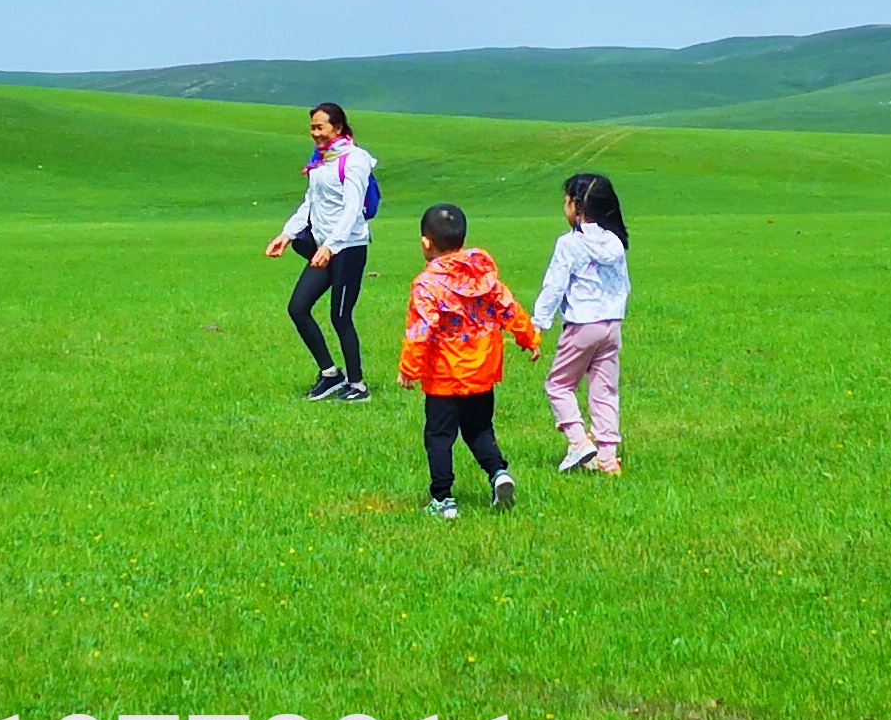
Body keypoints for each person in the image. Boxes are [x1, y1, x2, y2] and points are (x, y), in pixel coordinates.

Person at [398, 202, 536, 518]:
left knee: (439, 437)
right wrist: (529, 338)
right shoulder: (482, 276)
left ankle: (443, 499)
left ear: (425, 242)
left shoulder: (426, 284)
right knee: (479, 430)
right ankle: (499, 473)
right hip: (482, 372)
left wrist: (409, 368)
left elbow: (421, 328)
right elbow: (508, 307)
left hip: (444, 378)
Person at [263, 103, 380, 402]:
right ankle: (330, 374)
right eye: (312, 127)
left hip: (348, 247)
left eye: (320, 127)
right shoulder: (321, 161)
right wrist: (287, 234)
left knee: (340, 316)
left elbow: (353, 208)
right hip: (323, 247)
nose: (315, 133)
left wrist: (331, 245)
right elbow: (310, 203)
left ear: (338, 128)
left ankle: (358, 386)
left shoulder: (354, 160)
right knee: (298, 308)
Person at [535, 172, 633, 472]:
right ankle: (607, 457)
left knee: (558, 385)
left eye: (566, 202)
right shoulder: (615, 242)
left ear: (577, 207)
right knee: (604, 390)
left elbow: (554, 286)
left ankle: (579, 442)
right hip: (611, 325)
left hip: (581, 326)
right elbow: (623, 284)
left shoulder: (569, 244)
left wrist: (538, 323)